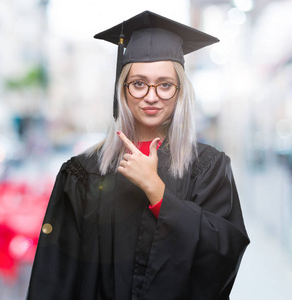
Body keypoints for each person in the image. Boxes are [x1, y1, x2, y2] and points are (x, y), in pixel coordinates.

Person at [27, 10, 249, 300]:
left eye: (165, 84)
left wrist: (158, 194)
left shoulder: (207, 167)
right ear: (123, 89)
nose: (152, 95)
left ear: (181, 92)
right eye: (139, 83)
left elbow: (223, 255)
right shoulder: (83, 172)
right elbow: (55, 275)